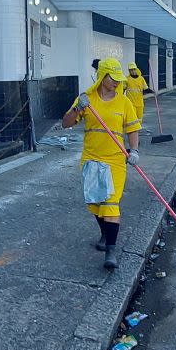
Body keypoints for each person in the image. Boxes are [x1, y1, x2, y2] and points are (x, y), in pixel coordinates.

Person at [62, 58, 141, 269]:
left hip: (115, 160)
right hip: (91, 159)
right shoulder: (86, 99)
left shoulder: (124, 102)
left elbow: (132, 129)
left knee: (111, 203)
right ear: (102, 76)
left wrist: (133, 151)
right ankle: (105, 235)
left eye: (118, 79)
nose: (116, 82)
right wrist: (77, 108)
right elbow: (65, 123)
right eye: (112, 78)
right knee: (96, 204)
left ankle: (111, 251)